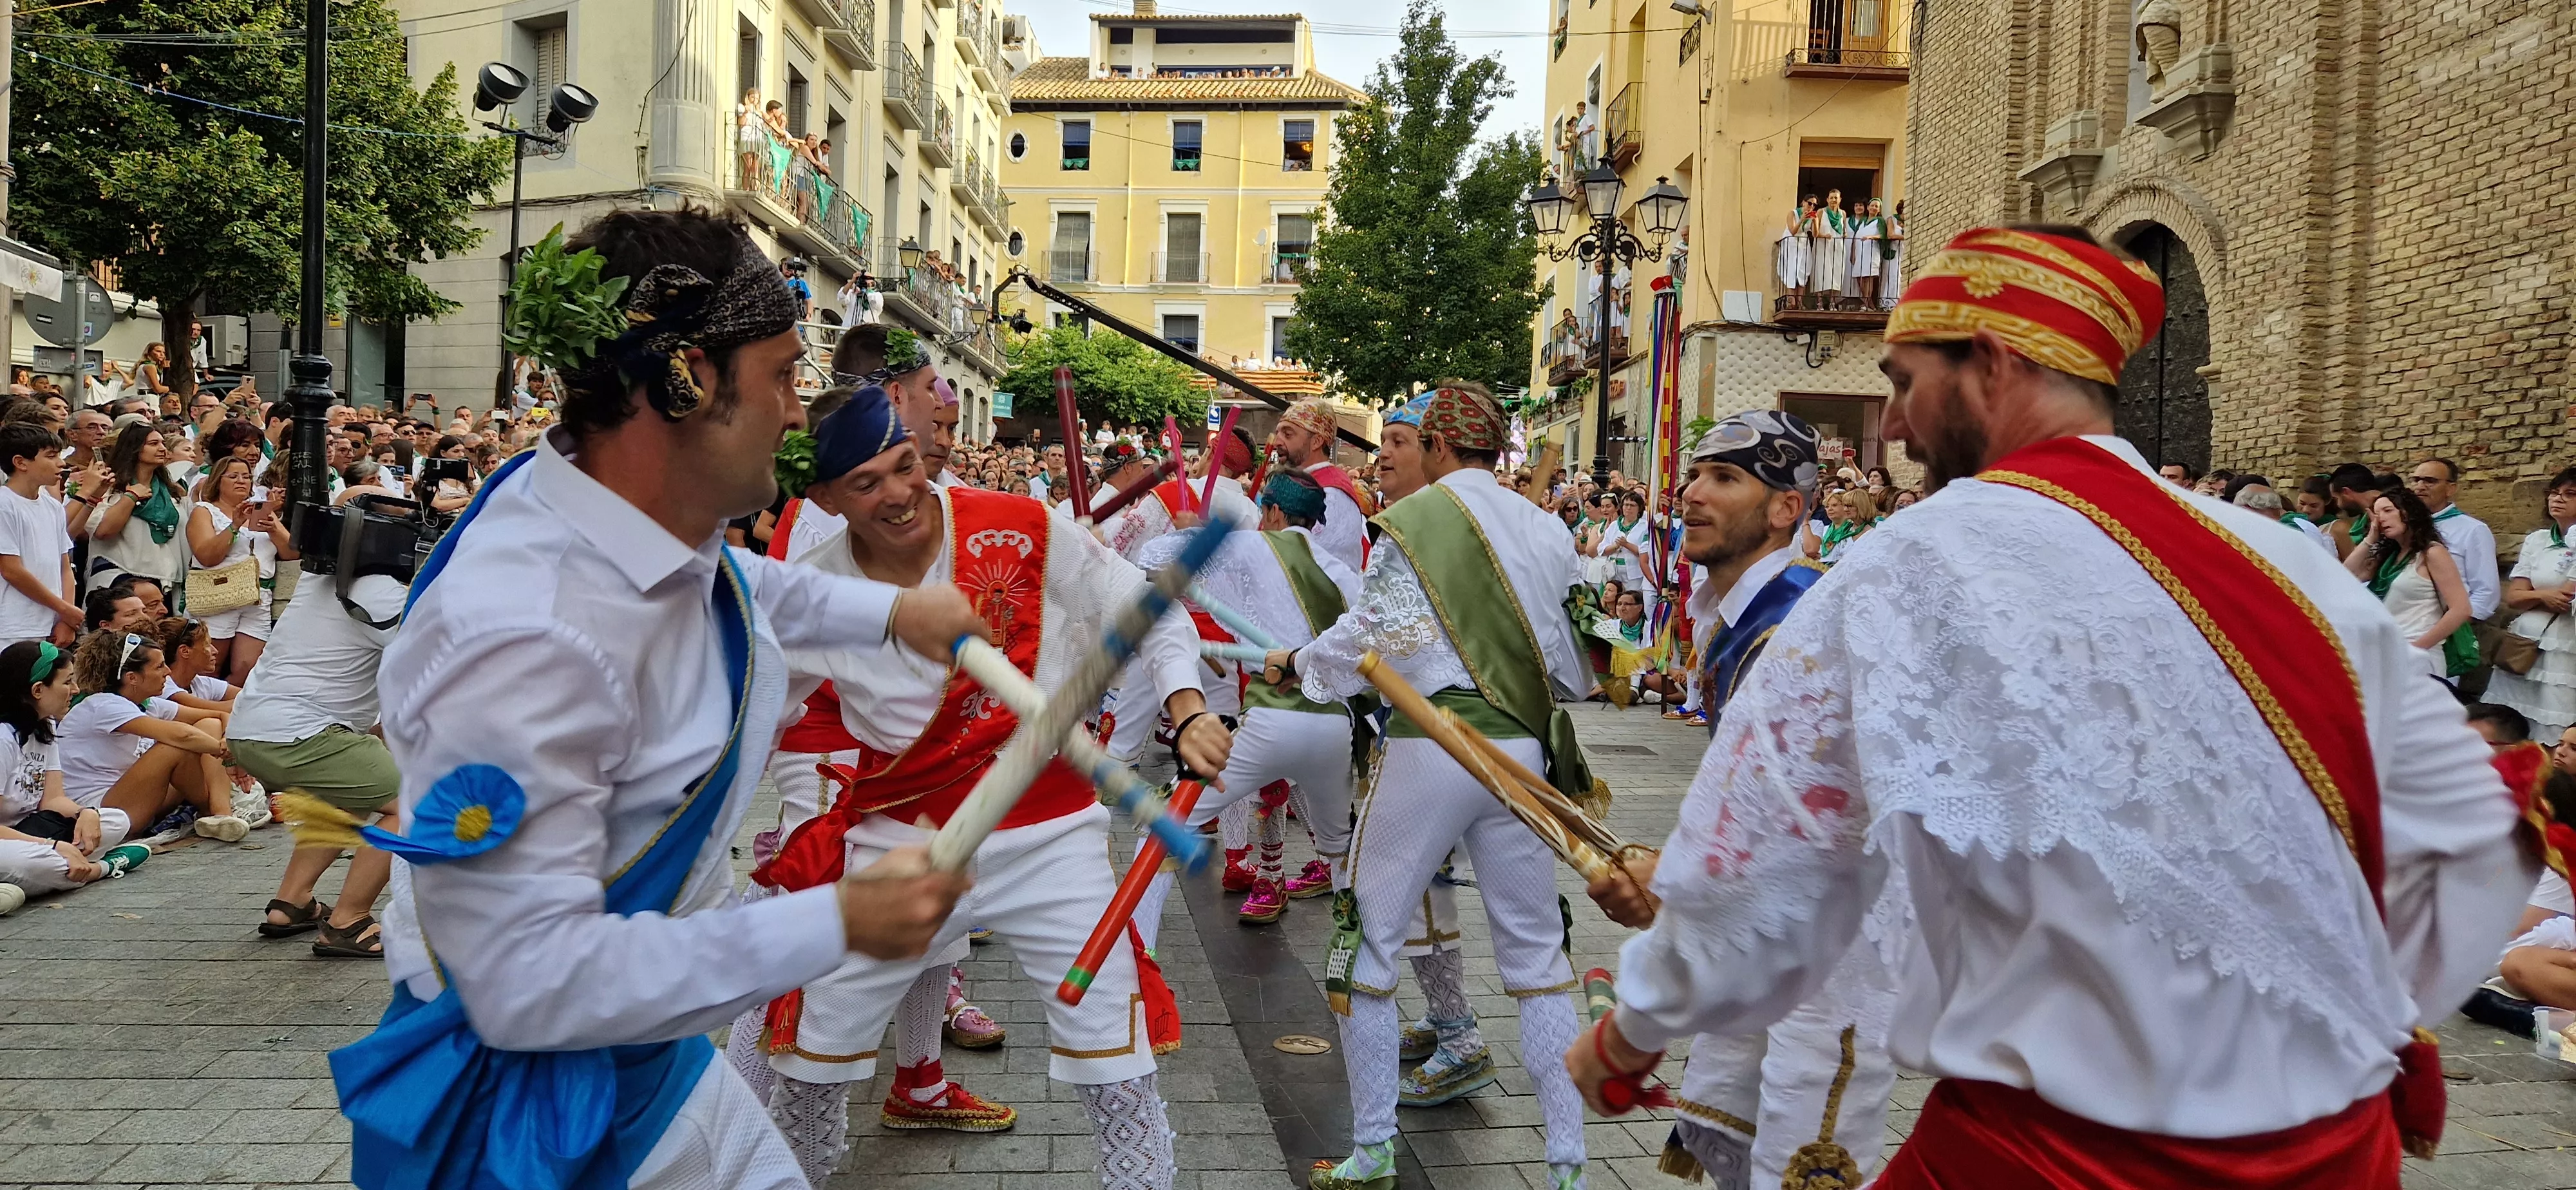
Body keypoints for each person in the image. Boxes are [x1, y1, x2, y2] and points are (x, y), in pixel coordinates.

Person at [1570, 224, 2530, 1188]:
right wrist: (2340, 1018)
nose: (1896, 426)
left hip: (2059, 1154)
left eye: (1905, 383)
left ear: (1988, 363)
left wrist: (1631, 1033)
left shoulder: (1908, 566)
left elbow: (1757, 873)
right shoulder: (2291, 565)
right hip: (2335, 1151)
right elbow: (2479, 830)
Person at [339, 206, 986, 1189]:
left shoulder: (601, 506)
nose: (796, 411)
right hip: (540, 1111)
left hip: (649, 1054)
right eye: (779, 374)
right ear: (686, 381)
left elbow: (732, 583)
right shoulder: (525, 637)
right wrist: (838, 923)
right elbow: (527, 984)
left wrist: (893, 617)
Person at [744, 386, 1227, 1188]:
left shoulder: (1024, 527)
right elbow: (754, 717)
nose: (900, 494)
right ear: (825, 499)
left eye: (905, 467)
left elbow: (1145, 609)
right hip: (902, 848)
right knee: (811, 1073)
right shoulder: (817, 590)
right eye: (867, 484)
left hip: (1053, 840)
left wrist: (1185, 703)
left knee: (1120, 1073)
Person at [1271, 382, 1596, 1190]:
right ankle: (1566, 1168)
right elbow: (1570, 663)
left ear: (1443, 447)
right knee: (1537, 957)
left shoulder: (1413, 525)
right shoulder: (1548, 527)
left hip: (1434, 744)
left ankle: (1375, 1148)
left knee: (1365, 943)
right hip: (1523, 752)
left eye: (1403, 443)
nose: (1388, 459)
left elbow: (1373, 638)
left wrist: (1298, 664)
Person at [1588, 408, 1906, 1187]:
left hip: (1836, 951)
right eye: (1694, 474)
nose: (1693, 494)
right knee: (1739, 1140)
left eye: (1724, 479)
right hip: (1774, 938)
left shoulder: (1795, 619)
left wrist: (1677, 883)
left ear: (1785, 509)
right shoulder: (1743, 614)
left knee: (1802, 1157)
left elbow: (1809, 829)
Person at [58, 628, 245, 842]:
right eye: (159, 667)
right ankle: (211, 811)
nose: (168, 672)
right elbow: (181, 736)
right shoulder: (103, 705)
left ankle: (222, 814)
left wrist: (228, 740)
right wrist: (225, 752)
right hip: (101, 811)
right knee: (173, 748)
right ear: (133, 678)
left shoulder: (147, 703)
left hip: (136, 798)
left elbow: (219, 715)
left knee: (208, 725)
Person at [0, 640, 132, 896]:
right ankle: (102, 868)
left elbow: (53, 799)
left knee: (116, 820)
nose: (76, 689)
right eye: (67, 682)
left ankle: (47, 875)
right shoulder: (3, 738)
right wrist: (53, 846)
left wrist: (86, 813)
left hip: (29, 831)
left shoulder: (44, 725)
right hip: (11, 841)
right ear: (38, 690)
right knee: (42, 863)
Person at [2344, 486, 2472, 681]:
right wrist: (2370, 539)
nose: (2381, 519)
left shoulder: (2432, 553)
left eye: (2388, 511)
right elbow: (2344, 577)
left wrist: (2415, 648)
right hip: (2384, 653)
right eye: (2377, 514)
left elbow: (2461, 609)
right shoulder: (2389, 556)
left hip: (2417, 654)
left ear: (2409, 512)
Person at [2485, 466, 2576, 739]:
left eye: (2570, 494)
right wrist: (2542, 596)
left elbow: (2567, 599)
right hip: (2526, 641)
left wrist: (2536, 596)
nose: (2557, 499)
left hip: (2565, 644)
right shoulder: (2537, 540)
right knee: (2509, 715)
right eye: (2554, 493)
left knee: (2555, 715)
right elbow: (2514, 596)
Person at [185, 456, 284, 678]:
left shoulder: (261, 511)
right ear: (218, 481)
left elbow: (291, 553)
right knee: (208, 666)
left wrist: (273, 524)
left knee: (247, 669)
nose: (242, 481)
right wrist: (235, 525)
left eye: (247, 477)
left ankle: (231, 710)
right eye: (234, 476)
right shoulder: (205, 510)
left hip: (258, 597)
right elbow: (207, 556)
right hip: (219, 593)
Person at [2409, 457, 2501, 667]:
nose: (2420, 486)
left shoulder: (2472, 530)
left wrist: (2451, 626)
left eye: (2430, 481)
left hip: (2445, 634)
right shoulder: (2402, 526)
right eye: (2416, 480)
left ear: (2451, 488)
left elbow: (2487, 592)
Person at [84, 423, 192, 594]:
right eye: (153, 444)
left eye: (163, 443)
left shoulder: (174, 492)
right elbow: (103, 532)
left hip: (166, 582)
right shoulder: (111, 487)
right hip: (121, 581)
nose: (163, 448)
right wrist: (131, 497)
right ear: (134, 448)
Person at [0, 424, 80, 647]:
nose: (61, 464)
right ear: (20, 462)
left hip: (50, 624)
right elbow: (11, 570)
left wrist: (66, 618)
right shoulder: (4, 504)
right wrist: (63, 608)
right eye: (51, 456)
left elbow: (65, 566)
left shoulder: (52, 506)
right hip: (11, 626)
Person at [1268, 398, 1368, 574]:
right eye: (1278, 433)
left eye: (1288, 434)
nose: (1277, 442)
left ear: (1316, 442)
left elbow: (1309, 564)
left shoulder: (1331, 493)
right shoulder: (1300, 483)